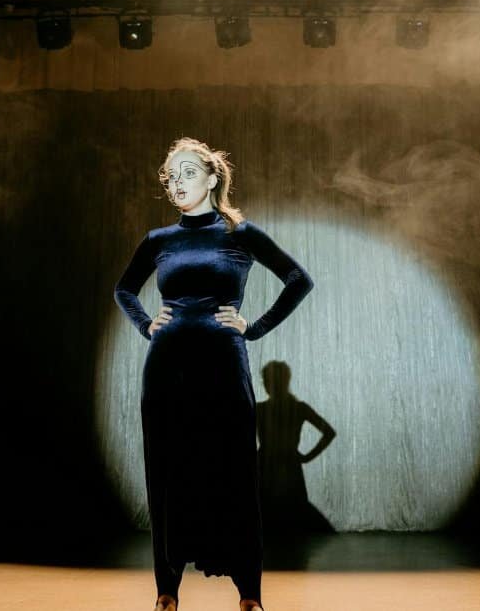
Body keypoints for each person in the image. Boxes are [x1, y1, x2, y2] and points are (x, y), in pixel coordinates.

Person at [114, 137, 315, 611]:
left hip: (223, 365)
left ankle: (250, 594)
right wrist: (146, 324)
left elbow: (298, 279)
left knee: (234, 473)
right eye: (171, 176)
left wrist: (255, 326)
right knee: (166, 471)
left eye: (187, 172)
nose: (178, 183)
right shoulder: (158, 241)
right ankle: (167, 591)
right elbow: (125, 289)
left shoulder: (240, 234)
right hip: (167, 368)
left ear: (211, 178)